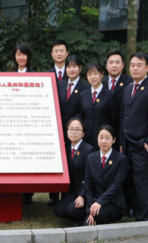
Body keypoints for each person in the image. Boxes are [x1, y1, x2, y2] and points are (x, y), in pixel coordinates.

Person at [119, 52, 148, 221]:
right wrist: (121, 142)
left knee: (140, 181)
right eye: (132, 65)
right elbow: (124, 117)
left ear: (147, 67)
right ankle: (133, 211)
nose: (135, 68)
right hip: (127, 143)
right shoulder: (127, 89)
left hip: (141, 144)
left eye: (139, 65)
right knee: (128, 179)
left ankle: (143, 217)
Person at [50, 55, 90, 206]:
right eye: (69, 66)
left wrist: (73, 126)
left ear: (80, 68)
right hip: (58, 132)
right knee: (57, 164)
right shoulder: (58, 84)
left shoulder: (86, 87)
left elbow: (84, 111)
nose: (71, 69)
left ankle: (75, 194)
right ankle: (54, 196)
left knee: (74, 165)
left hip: (75, 133)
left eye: (75, 66)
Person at [53, 118, 95, 225]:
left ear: (83, 133)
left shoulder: (89, 150)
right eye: (71, 129)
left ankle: (84, 216)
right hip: (73, 191)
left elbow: (90, 177)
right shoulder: (66, 150)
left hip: (85, 190)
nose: (73, 132)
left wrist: (82, 196)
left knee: (71, 210)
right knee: (58, 210)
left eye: (77, 129)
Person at [84, 125, 128, 226]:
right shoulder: (90, 158)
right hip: (95, 203)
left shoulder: (121, 159)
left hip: (114, 204)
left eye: (107, 138)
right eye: (101, 137)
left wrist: (99, 202)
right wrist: (90, 210)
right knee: (87, 226)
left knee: (98, 214)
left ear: (114, 140)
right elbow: (88, 185)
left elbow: (116, 185)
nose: (103, 141)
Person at [81, 61, 118, 150]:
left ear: (102, 74)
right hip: (87, 140)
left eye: (95, 73)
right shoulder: (83, 95)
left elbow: (115, 120)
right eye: (89, 74)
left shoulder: (111, 95)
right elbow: (82, 116)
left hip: (104, 140)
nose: (92, 77)